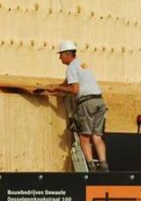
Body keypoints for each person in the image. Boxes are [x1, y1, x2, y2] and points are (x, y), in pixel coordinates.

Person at [43, 40, 109, 172]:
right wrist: (51, 91)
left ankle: (90, 166)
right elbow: (66, 86)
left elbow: (74, 90)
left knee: (84, 136)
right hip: (99, 101)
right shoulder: (82, 64)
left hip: (87, 103)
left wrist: (54, 87)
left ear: (67, 55)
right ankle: (103, 165)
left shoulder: (71, 68)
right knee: (97, 136)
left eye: (61, 55)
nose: (59, 58)